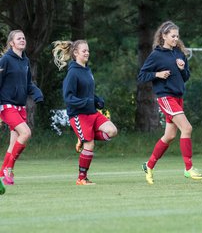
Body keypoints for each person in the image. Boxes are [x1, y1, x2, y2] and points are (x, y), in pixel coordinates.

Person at [137, 21, 202, 185]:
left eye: (177, 36)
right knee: (187, 128)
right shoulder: (156, 55)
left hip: (178, 98)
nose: (176, 39)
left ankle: (149, 165)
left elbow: (186, 77)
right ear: (164, 36)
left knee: (170, 136)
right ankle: (188, 169)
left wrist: (183, 69)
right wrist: (157, 74)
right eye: (172, 36)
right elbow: (142, 76)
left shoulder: (179, 53)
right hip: (166, 98)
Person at [52, 40, 117, 185]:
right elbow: (68, 98)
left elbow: (87, 94)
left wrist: (96, 100)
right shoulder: (73, 73)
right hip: (78, 115)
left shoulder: (87, 69)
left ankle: (83, 137)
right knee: (90, 144)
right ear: (75, 53)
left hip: (92, 112)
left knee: (111, 131)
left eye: (88, 50)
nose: (87, 53)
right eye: (84, 51)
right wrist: (86, 102)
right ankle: (81, 178)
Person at [0, 30, 44, 185]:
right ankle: (8, 169)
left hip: (20, 107)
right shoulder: (5, 60)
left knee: (14, 143)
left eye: (24, 38)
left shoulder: (25, 61)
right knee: (25, 133)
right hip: (7, 105)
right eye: (19, 38)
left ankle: (3, 172)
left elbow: (27, 84)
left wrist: (37, 93)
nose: (22, 40)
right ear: (11, 43)